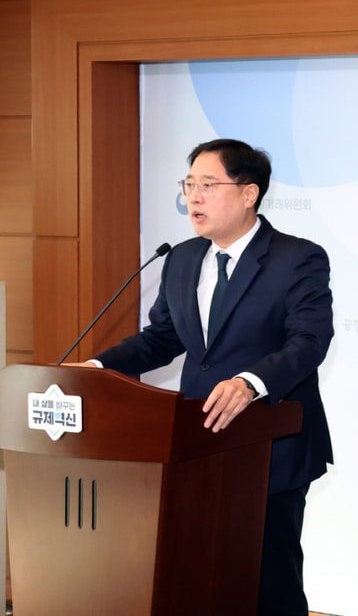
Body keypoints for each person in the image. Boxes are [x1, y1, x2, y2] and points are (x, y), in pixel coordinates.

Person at [75, 138, 334, 616]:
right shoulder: (182, 258)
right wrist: (95, 370)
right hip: (195, 442)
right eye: (189, 184)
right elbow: (162, 338)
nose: (193, 196)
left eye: (208, 185)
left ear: (249, 193)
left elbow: (309, 341)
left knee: (269, 583)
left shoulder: (297, 258)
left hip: (269, 444)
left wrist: (250, 382)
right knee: (201, 578)